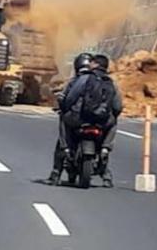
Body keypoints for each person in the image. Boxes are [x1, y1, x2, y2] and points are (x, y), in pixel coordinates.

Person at [47, 52, 95, 186]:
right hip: (98, 120)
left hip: (75, 118)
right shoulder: (101, 81)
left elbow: (66, 99)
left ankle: (56, 173)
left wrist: (62, 107)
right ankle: (106, 172)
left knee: (62, 139)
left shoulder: (75, 82)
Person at [91, 54, 122, 187]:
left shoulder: (84, 79)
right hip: (104, 121)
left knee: (65, 127)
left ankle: (56, 171)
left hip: (82, 119)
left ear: (95, 64)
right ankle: (105, 148)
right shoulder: (111, 83)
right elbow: (117, 106)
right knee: (112, 124)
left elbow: (70, 97)